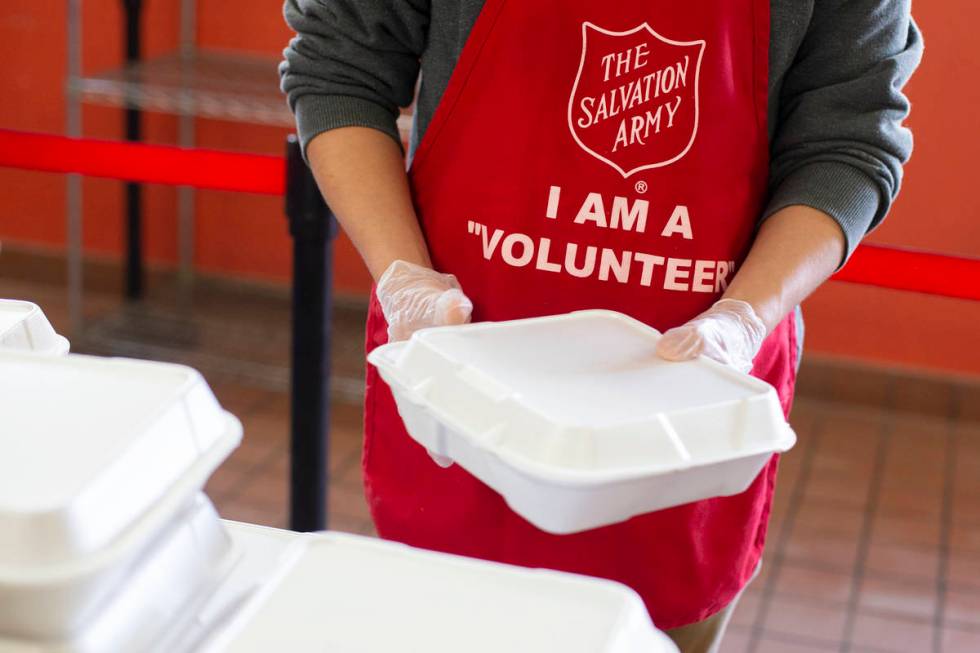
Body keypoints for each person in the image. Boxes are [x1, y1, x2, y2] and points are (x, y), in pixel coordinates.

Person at [281, 2, 921, 651]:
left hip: (687, 403)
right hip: (464, 379)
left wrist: (746, 316)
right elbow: (341, 68)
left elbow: (847, 144)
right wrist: (404, 278)